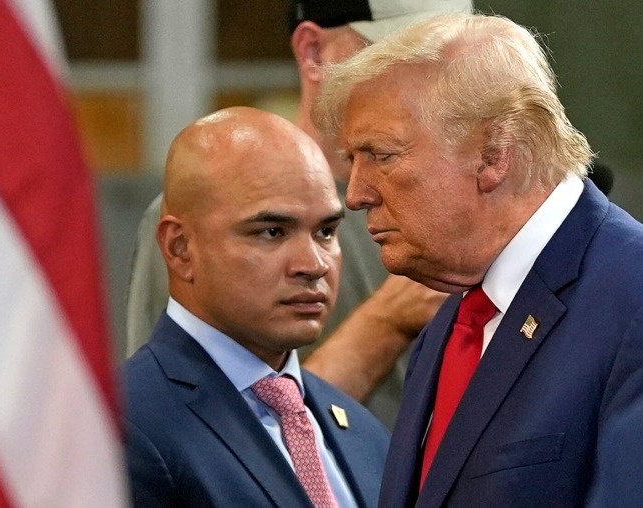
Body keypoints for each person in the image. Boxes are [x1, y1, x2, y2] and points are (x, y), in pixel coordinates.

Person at [315, 12, 643, 507]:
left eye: (381, 156)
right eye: (353, 161)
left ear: (494, 153)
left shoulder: (634, 303)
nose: (356, 195)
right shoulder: (453, 323)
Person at [126, 0, 472, 429]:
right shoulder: (208, 211)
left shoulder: (466, 203)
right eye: (400, 55)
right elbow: (177, 427)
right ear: (313, 53)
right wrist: (387, 322)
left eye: (446, 59)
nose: (432, 82)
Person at [121, 106, 390, 507]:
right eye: (271, 232)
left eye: (326, 231)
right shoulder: (119, 426)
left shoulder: (365, 433)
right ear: (180, 248)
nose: (314, 264)